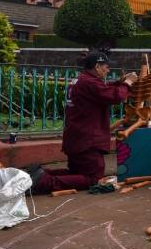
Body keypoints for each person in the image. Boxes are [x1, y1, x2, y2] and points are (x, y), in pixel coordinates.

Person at [32, 51, 136, 193]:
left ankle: (40, 174)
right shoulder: (89, 83)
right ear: (97, 66)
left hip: (77, 138)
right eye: (106, 67)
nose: (108, 70)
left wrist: (120, 82)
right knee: (92, 178)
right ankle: (44, 182)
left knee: (77, 172)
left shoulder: (81, 80)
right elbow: (115, 96)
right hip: (87, 141)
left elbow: (103, 88)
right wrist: (128, 83)